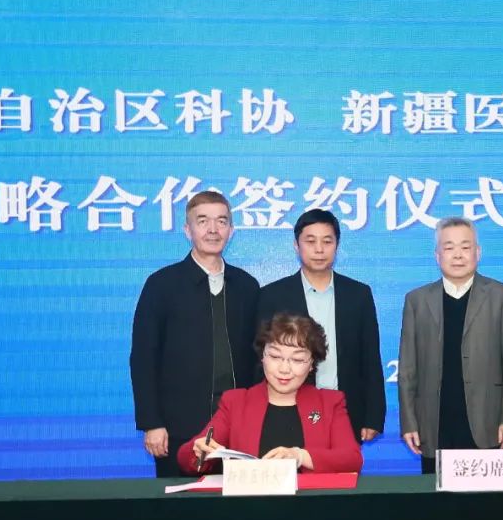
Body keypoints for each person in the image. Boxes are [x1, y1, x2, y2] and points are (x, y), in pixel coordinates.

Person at [130, 191, 260, 477]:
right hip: (178, 427)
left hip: (237, 428)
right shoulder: (162, 285)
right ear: (187, 230)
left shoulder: (247, 286)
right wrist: (152, 423)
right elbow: (143, 359)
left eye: (221, 221)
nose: (213, 229)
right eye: (203, 221)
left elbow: (258, 358)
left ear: (231, 230)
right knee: (180, 503)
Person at [397, 217, 503, 474]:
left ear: (478, 253)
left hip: (488, 422)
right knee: (436, 494)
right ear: (437, 255)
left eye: (465, 247)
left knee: (487, 497)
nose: (458, 255)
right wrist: (409, 422)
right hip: (434, 423)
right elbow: (408, 369)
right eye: (449, 247)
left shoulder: (501, 295)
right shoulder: (417, 300)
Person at [255, 208, 386, 444]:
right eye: (310, 241)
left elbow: (370, 358)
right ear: (296, 245)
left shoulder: (358, 294)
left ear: (337, 245)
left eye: (327, 241)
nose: (319, 249)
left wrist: (373, 416)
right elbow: (260, 360)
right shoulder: (272, 295)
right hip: (288, 408)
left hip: (345, 408)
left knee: (341, 467)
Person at [178, 313, 363, 474]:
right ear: (262, 357)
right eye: (275, 357)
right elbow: (186, 458)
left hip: (310, 501)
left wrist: (300, 456)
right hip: (251, 501)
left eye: (297, 359)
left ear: (312, 364)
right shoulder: (236, 402)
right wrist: (198, 451)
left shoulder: (329, 402)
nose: (284, 369)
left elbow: (352, 459)